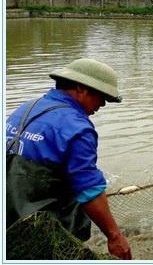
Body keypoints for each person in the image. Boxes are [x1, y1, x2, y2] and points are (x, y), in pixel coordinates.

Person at [6, 58, 131, 260]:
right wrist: (115, 236)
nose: (103, 104)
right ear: (81, 89)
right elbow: (89, 189)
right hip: (40, 228)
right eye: (101, 96)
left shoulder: (26, 108)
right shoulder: (77, 127)